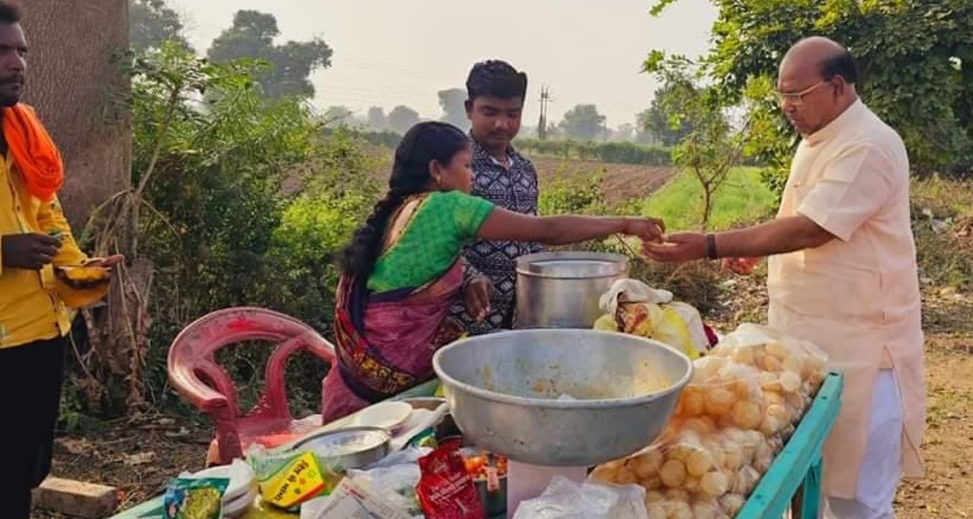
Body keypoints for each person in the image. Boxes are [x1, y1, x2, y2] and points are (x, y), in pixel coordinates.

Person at [642, 37, 925, 519]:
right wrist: (755, 253)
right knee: (812, 487)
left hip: (862, 353)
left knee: (856, 500)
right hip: (808, 346)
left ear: (837, 87)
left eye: (797, 94)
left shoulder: (868, 145)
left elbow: (813, 228)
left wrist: (712, 245)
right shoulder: (821, 138)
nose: (787, 107)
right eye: (782, 96)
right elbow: (803, 216)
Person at [321, 121, 664, 423]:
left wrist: (469, 279)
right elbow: (548, 231)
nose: (472, 176)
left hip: (354, 379)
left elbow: (411, 270)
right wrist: (625, 223)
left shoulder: (402, 209)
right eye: (467, 166)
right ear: (437, 170)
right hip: (391, 385)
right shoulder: (449, 205)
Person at [0, 0, 123, 519]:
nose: (17, 64)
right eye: (1, 51)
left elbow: (48, 216)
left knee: (23, 472)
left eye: (22, 51)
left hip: (40, 330)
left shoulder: (22, 133)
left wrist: (81, 269)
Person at [451, 60, 541, 334]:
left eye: (512, 114)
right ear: (469, 109)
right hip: (461, 321)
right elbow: (430, 241)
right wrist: (468, 276)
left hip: (517, 321)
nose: (502, 124)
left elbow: (534, 239)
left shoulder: (526, 170)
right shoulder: (453, 168)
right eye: (489, 112)